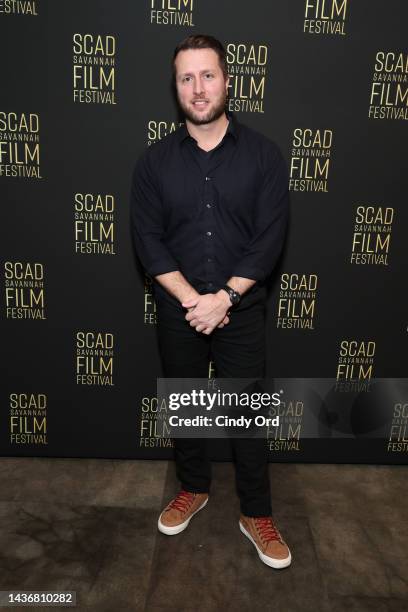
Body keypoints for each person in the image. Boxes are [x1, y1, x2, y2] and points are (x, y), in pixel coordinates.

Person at [130, 34, 291, 569]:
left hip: (240, 309)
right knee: (186, 404)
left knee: (248, 415)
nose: (198, 88)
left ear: (227, 80)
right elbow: (148, 239)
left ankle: (257, 512)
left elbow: (269, 238)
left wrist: (223, 297)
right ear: (175, 88)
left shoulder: (265, 156)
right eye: (186, 78)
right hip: (179, 310)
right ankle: (193, 486)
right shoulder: (153, 163)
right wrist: (190, 299)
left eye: (207, 75)